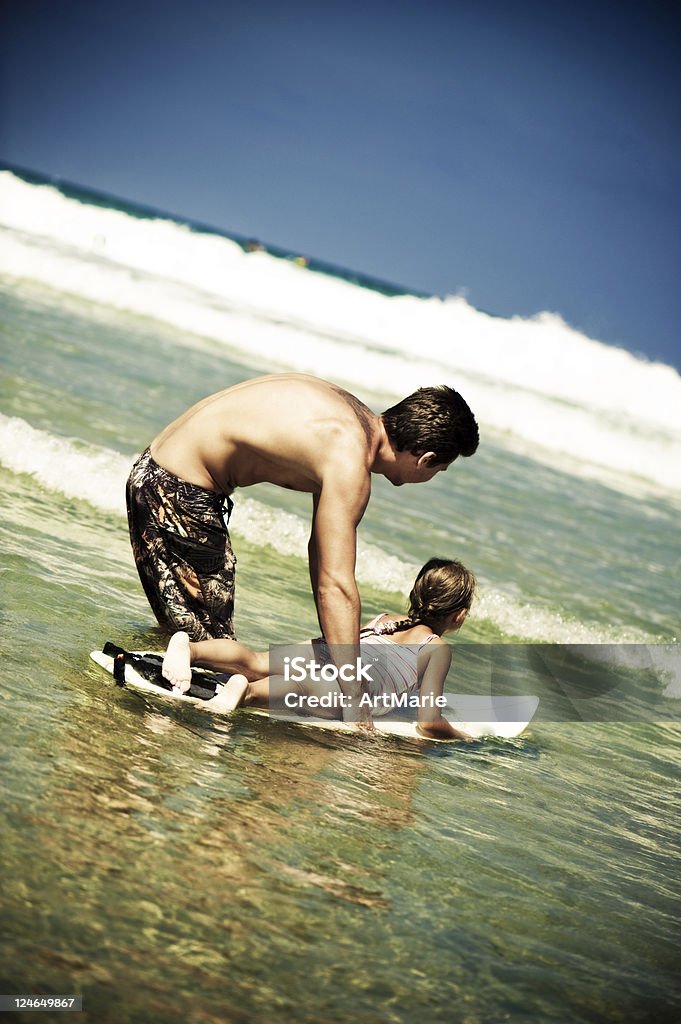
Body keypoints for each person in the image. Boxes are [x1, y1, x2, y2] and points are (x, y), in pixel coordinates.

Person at [126, 373, 479, 724]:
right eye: (440, 469)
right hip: (177, 494)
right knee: (211, 662)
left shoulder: (351, 421)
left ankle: (162, 688)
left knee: (212, 648)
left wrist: (337, 647)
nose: (434, 476)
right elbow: (335, 584)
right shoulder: (350, 462)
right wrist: (354, 694)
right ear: (425, 459)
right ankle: (154, 731)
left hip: (159, 475)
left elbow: (321, 554)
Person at [161, 558, 476, 741]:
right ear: (458, 615)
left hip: (338, 650)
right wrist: (464, 739)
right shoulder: (436, 649)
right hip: (354, 680)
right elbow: (429, 721)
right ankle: (245, 693)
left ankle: (191, 650)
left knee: (256, 660)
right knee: (300, 685)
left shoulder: (386, 619)